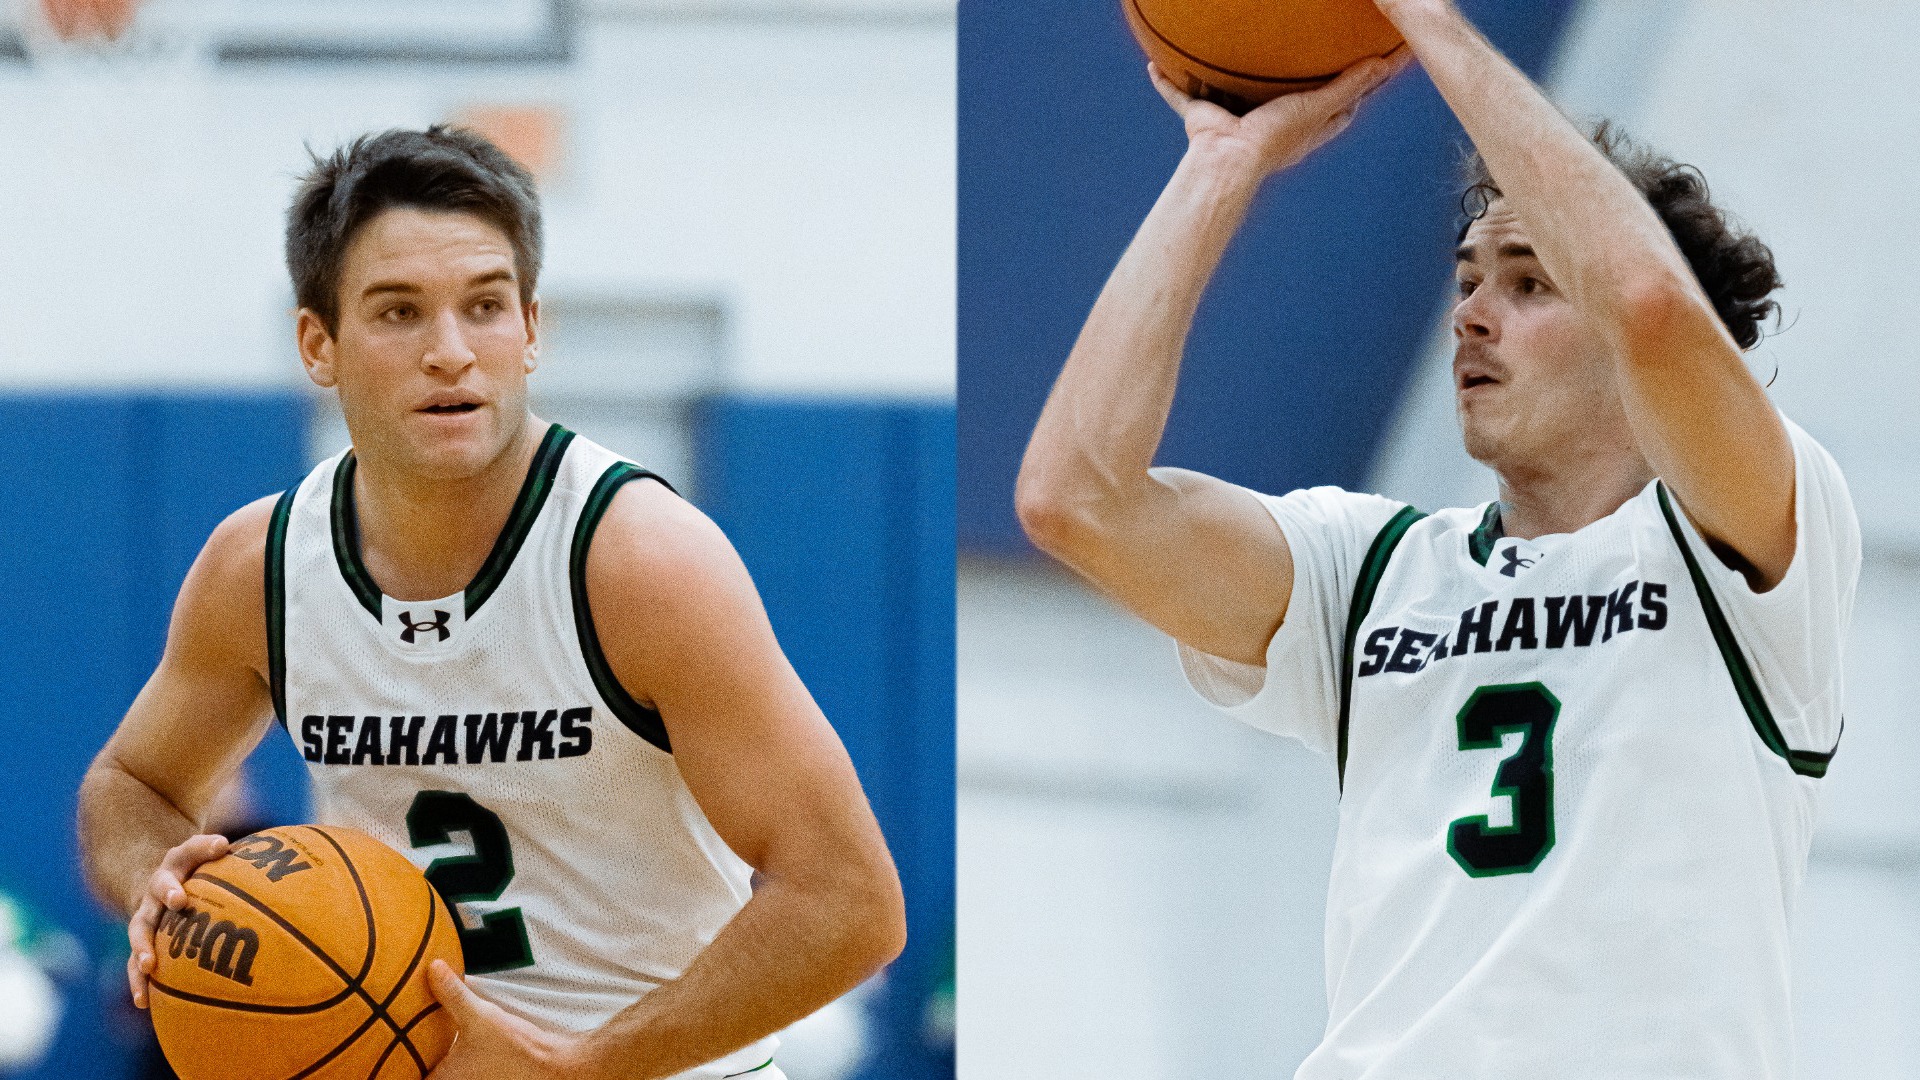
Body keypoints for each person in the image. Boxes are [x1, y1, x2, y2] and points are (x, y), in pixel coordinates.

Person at [1015, 2, 1856, 1076]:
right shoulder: (1369, 573)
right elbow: (1074, 499)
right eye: (1466, 281)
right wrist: (1223, 163)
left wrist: (1428, 23)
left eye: (1527, 281)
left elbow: (1649, 301)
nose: (1470, 314)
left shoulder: (1752, 541)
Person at [77, 126, 905, 1080]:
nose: (451, 352)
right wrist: (156, 876)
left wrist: (586, 1063)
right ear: (319, 343)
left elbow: (848, 900)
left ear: (532, 331)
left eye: (485, 307)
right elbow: (132, 787)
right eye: (398, 313)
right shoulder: (259, 566)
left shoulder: (639, 561)